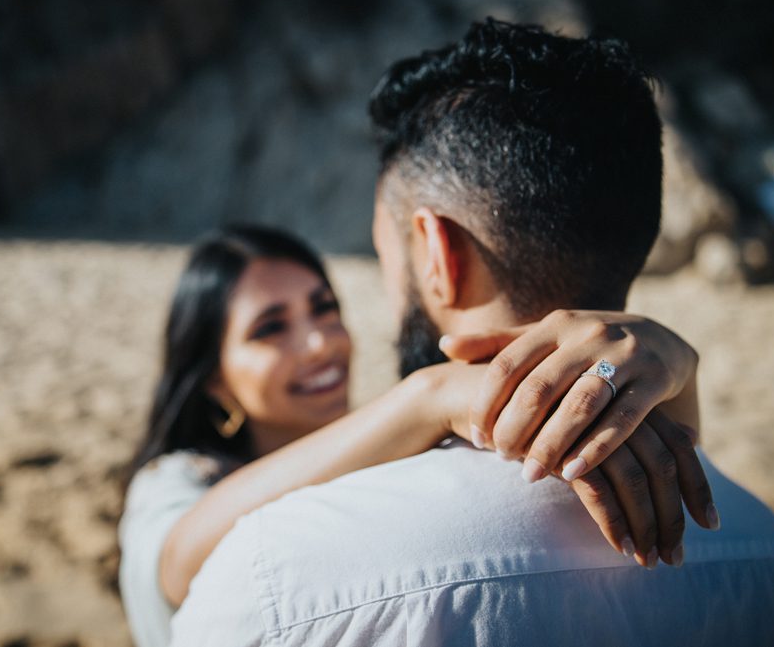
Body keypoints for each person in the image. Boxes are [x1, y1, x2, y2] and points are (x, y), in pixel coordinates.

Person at [169, 21, 774, 646]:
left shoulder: (277, 576)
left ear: (436, 252)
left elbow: (181, 573)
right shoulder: (764, 544)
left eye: (385, 252)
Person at [119, 225, 714, 647]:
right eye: (271, 329)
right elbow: (179, 562)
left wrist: (678, 367)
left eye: (324, 309)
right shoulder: (173, 480)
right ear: (215, 383)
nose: (321, 341)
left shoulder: (386, 454)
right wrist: (428, 395)